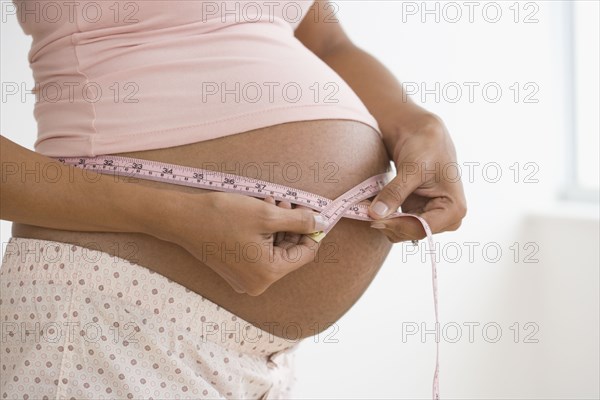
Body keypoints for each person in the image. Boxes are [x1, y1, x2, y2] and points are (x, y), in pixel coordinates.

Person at [0, 0, 466, 398]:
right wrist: (172, 213)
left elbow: (326, 43)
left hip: (264, 358)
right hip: (108, 311)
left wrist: (414, 121)